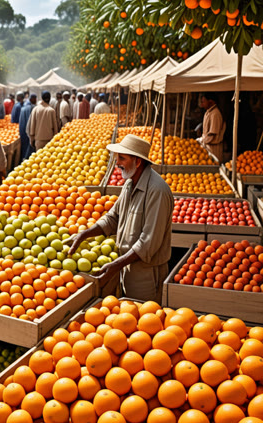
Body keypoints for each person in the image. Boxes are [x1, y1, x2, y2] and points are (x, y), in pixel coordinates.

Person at [67, 134, 173, 302]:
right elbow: (112, 218)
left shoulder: (157, 191)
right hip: (127, 265)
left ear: (138, 162)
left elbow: (148, 243)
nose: (117, 164)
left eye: (122, 158)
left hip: (147, 273)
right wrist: (84, 234)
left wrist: (115, 265)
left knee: (145, 319)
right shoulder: (130, 184)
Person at [197, 93, 226, 162]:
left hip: (213, 149)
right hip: (208, 147)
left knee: (213, 167)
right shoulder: (209, 112)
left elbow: (212, 134)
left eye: (203, 102)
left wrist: (201, 140)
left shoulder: (215, 114)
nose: (202, 105)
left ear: (211, 101)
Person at [19, 93, 37, 159]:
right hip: (30, 131)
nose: (35, 100)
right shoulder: (33, 108)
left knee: (25, 147)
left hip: (23, 130)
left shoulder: (23, 108)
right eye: (34, 98)